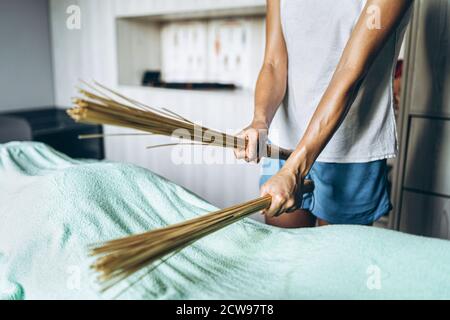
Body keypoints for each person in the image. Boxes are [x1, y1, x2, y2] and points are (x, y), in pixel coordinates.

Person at [234, 0, 414, 228]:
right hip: (285, 144)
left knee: (334, 262)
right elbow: (273, 63)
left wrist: (296, 168)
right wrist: (260, 120)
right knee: (284, 258)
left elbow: (350, 71)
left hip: (352, 150)